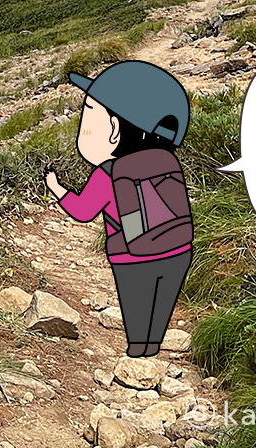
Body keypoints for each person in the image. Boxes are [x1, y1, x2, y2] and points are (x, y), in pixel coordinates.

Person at [44, 60, 193, 358]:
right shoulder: (168, 161)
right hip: (178, 249)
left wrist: (58, 188)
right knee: (161, 301)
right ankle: (154, 345)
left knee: (137, 304)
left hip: (131, 255)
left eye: (88, 116)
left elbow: (84, 212)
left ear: (114, 129)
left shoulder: (108, 173)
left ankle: (139, 352)